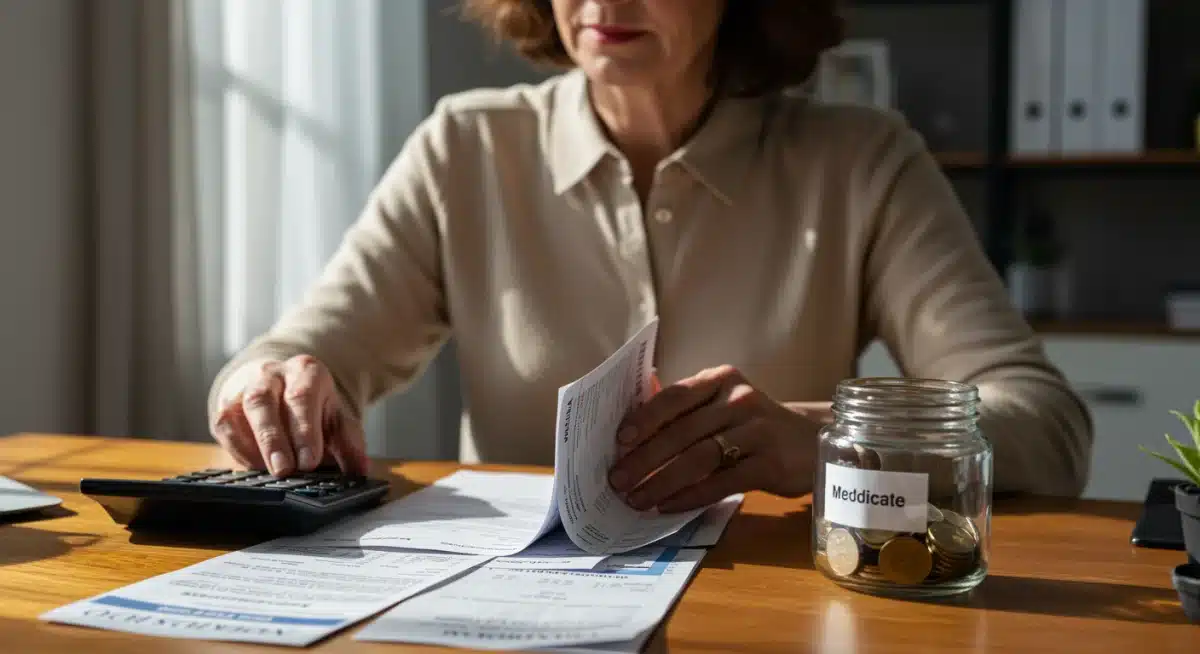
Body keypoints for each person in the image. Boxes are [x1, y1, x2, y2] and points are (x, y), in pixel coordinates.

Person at [207, 0, 1094, 511]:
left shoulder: (862, 161)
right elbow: (302, 352)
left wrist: (833, 440)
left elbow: (1045, 428)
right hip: (516, 617)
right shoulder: (467, 147)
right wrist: (268, 387)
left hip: (774, 616)